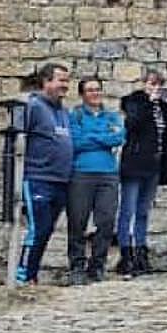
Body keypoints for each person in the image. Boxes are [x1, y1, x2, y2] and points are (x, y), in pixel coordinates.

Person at [15, 63, 73, 286]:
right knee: (38, 229)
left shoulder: (63, 112)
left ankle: (32, 274)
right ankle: (23, 277)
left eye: (67, 81)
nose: (65, 85)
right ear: (46, 81)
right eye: (61, 80)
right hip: (37, 179)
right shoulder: (33, 106)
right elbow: (17, 139)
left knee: (46, 230)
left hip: (60, 180)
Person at [66, 77, 124, 285]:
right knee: (77, 222)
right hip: (81, 173)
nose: (95, 93)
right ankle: (77, 266)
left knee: (106, 221)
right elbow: (75, 142)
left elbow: (118, 138)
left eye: (98, 89)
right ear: (82, 94)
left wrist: (90, 136)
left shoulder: (112, 116)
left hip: (108, 173)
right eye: (90, 90)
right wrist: (102, 137)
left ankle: (97, 265)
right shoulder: (75, 116)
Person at [117, 69, 167, 276]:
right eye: (151, 83)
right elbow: (132, 124)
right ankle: (126, 254)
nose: (155, 88)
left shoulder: (165, 109)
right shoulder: (133, 102)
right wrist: (148, 102)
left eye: (159, 84)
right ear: (144, 84)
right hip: (135, 162)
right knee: (128, 210)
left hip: (154, 165)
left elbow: (165, 137)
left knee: (143, 211)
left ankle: (141, 253)